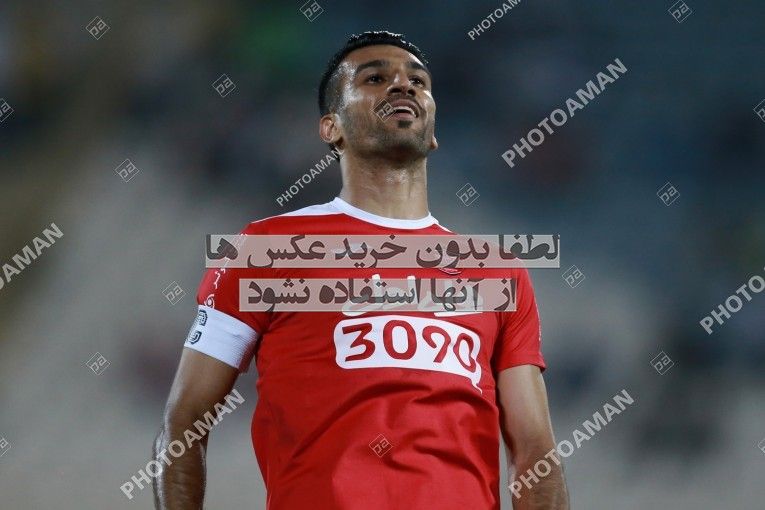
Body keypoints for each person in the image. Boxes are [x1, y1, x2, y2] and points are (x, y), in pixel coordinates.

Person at [152, 30, 569, 510]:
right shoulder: (264, 251)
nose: (403, 85)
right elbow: (184, 421)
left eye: (418, 81)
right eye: (374, 78)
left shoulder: (498, 273)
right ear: (331, 128)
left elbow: (535, 449)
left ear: (433, 131)